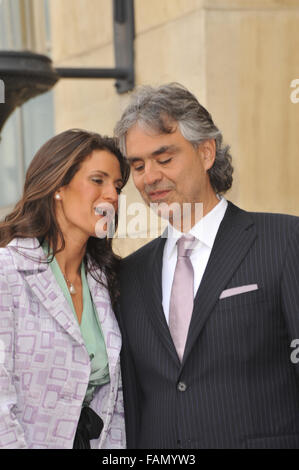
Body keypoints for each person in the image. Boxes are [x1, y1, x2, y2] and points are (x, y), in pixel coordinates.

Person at [114, 83, 299, 449]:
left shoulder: (285, 240)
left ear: (206, 153)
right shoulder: (129, 275)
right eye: (138, 165)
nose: (149, 177)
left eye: (164, 159)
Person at [0, 129, 130, 449]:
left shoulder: (108, 278)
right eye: (98, 180)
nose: (112, 195)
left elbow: (116, 401)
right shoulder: (7, 271)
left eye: (117, 186)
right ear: (58, 186)